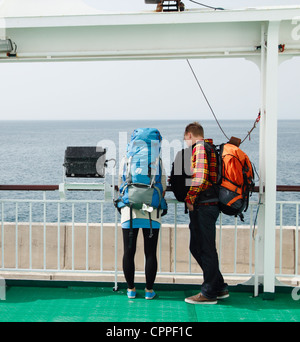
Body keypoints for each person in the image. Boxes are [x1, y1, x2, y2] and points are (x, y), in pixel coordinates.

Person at [117, 129, 167, 300]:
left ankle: (130, 289)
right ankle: (149, 290)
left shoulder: (127, 159)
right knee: (150, 252)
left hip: (129, 211)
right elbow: (163, 184)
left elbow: (120, 183)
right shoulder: (157, 160)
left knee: (128, 252)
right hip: (151, 211)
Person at [183, 122, 228, 304]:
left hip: (204, 205)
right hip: (212, 204)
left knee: (204, 248)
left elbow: (200, 177)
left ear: (189, 135)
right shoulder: (211, 149)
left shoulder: (199, 148)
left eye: (185, 138)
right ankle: (219, 286)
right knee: (202, 247)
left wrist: (190, 198)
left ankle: (209, 292)